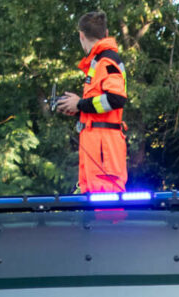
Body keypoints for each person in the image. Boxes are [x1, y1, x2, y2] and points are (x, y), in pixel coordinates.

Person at [55, 12, 128, 194]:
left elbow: (116, 99)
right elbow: (102, 105)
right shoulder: (99, 63)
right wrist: (79, 110)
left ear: (81, 35)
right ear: (106, 32)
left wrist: (80, 104)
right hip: (99, 150)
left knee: (107, 215)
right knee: (97, 214)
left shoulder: (106, 61)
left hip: (105, 152)